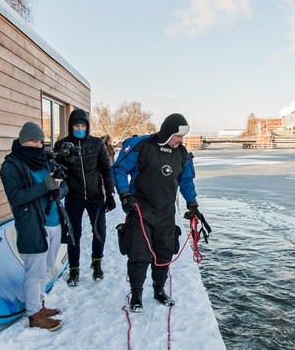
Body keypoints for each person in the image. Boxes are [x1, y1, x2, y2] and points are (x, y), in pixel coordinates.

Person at [111, 113, 201, 312]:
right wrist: (125, 194)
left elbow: (186, 180)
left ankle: (158, 290)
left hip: (166, 211)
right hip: (141, 209)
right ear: (169, 133)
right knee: (139, 254)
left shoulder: (182, 154)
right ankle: (136, 294)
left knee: (164, 253)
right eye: (178, 136)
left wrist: (192, 203)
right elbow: (118, 170)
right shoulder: (142, 146)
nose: (181, 140)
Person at [0, 122, 68, 331]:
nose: (37, 145)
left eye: (40, 141)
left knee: (46, 268)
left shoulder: (44, 161)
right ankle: (33, 314)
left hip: (54, 221)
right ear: (22, 141)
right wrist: (44, 187)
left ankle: (39, 304)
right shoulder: (12, 166)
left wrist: (59, 191)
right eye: (32, 140)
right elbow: (17, 196)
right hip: (32, 224)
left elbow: (63, 185)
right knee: (35, 271)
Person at [53, 109, 115, 286]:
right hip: (74, 197)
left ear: (87, 127)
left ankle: (97, 264)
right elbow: (58, 172)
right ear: (70, 126)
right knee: (74, 235)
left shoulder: (97, 144)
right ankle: (74, 270)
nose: (79, 128)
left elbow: (106, 170)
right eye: (76, 126)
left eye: (83, 126)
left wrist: (110, 193)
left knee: (99, 232)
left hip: (95, 196)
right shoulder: (62, 145)